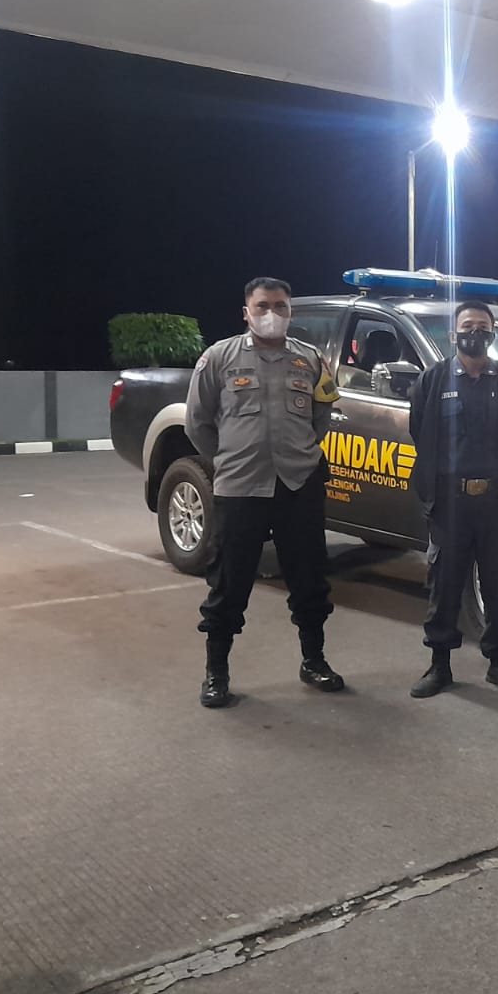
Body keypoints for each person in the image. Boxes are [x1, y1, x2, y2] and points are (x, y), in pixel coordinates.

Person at [185, 277, 343, 709]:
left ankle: (314, 661)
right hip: (240, 487)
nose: (272, 313)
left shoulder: (310, 359)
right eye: (262, 306)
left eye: (280, 306)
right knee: (228, 583)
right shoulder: (218, 358)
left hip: (298, 484)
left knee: (310, 579)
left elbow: (321, 417)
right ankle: (216, 673)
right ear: (246, 312)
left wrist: (298, 453)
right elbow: (198, 424)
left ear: (290, 312)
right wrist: (231, 458)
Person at [406, 299, 498, 698]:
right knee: (444, 585)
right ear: (454, 334)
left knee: (497, 584)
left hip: (494, 502)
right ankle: (439, 665)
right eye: (467, 327)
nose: (475, 333)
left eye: (482, 327)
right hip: (450, 503)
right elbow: (420, 432)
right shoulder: (433, 380)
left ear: (492, 334)